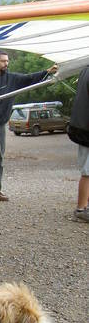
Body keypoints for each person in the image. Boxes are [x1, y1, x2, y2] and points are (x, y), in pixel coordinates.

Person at [0, 50, 58, 204]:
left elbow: (30, 78)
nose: (6, 64)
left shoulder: (12, 79)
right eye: (3, 61)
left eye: (7, 61)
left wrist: (47, 71)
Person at [68, 66, 89, 222]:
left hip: (81, 128)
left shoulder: (84, 70)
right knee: (88, 172)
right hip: (86, 129)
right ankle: (81, 209)